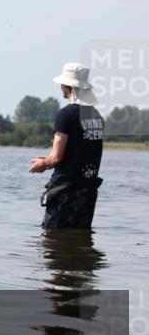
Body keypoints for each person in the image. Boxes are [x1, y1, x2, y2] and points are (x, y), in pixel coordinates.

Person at [29, 63, 104, 230]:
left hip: (66, 190)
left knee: (54, 239)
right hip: (87, 191)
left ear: (69, 86)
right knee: (80, 239)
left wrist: (43, 163)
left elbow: (56, 157)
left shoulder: (66, 115)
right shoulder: (96, 116)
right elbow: (80, 151)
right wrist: (46, 159)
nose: (61, 88)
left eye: (62, 84)